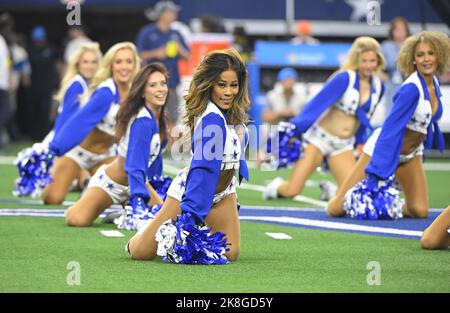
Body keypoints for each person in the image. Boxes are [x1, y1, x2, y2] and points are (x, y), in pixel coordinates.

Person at [126, 48, 250, 262]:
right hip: (191, 193)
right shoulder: (211, 119)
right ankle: (139, 236)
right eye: (222, 85)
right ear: (209, 84)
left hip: (223, 195)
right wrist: (190, 216)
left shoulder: (230, 113)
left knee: (230, 253)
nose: (229, 92)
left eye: (234, 85)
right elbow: (204, 170)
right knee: (141, 253)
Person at [327, 31, 450, 219]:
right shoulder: (411, 89)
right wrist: (377, 171)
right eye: (420, 55)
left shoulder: (434, 82)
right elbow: (391, 129)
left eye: (431, 53)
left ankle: (386, 204)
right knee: (336, 209)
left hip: (410, 155)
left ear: (439, 56)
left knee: (419, 210)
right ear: (413, 60)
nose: (426, 59)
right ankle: (333, 192)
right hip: (384, 149)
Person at [263, 37, 385, 202]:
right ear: (356, 60)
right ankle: (276, 187)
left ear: (378, 61)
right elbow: (317, 105)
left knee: (353, 195)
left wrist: (360, 143)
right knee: (293, 190)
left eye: (372, 61)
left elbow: (364, 119)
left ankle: (331, 191)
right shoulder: (345, 78)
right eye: (364, 61)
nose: (369, 65)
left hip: (343, 145)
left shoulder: (379, 86)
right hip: (319, 140)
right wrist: (295, 130)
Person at [65, 63, 169, 227]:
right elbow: (134, 166)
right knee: (76, 220)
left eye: (163, 83)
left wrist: (156, 188)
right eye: (153, 85)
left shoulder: (160, 118)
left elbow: (155, 160)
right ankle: (88, 192)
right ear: (142, 91)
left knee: (166, 222)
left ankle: (120, 211)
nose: (161, 89)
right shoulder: (142, 122)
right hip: (112, 185)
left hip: (138, 184)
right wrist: (139, 200)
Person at [40, 42, 140, 204]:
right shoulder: (105, 92)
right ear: (111, 65)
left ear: (135, 65)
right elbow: (80, 122)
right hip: (78, 154)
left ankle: (88, 184)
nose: (124, 67)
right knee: (52, 198)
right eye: (119, 62)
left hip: (106, 156)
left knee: (125, 198)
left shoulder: (135, 93)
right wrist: (56, 148)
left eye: (129, 62)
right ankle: (79, 178)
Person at [136, 0, 190, 130]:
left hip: (171, 83)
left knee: (171, 116)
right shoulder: (147, 32)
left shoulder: (176, 33)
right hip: (151, 83)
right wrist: (156, 53)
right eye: (171, 12)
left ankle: (170, 148)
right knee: (151, 113)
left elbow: (187, 56)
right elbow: (138, 54)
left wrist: (179, 49)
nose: (175, 14)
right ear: (162, 15)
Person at [27, 25, 59, 141]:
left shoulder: (51, 50)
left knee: (46, 111)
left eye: (40, 40)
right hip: (34, 86)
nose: (39, 42)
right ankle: (34, 135)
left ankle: (45, 135)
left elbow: (57, 66)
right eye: (37, 40)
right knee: (34, 111)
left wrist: (58, 82)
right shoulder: (30, 50)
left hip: (48, 86)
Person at [381, 17, 411, 120]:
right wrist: (385, 79)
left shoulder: (412, 46)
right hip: (391, 85)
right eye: (397, 30)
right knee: (390, 114)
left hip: (408, 84)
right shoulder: (386, 46)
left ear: (407, 31)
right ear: (392, 31)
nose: (400, 33)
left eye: (403, 30)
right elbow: (376, 66)